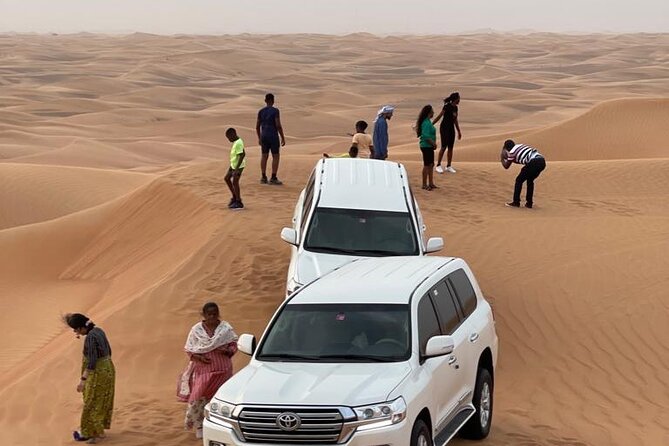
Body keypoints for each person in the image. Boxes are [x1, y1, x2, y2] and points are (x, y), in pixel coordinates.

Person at [178, 302, 238, 439]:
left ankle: (219, 426)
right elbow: (189, 349)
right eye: (209, 314)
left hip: (223, 370)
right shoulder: (196, 330)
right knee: (198, 397)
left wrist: (227, 350)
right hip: (203, 370)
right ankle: (199, 425)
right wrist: (199, 357)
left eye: (215, 313)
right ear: (204, 315)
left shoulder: (225, 328)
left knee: (220, 397)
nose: (212, 316)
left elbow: (234, 344)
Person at [64, 313, 115, 444]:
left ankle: (90, 433)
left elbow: (92, 361)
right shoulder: (99, 330)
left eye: (76, 329)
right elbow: (109, 351)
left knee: (91, 402)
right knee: (101, 402)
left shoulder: (91, 338)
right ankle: (98, 431)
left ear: (82, 328)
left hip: (98, 373)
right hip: (108, 369)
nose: (76, 332)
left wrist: (82, 380)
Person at [500, 139, 547, 208]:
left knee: (519, 180)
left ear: (507, 148)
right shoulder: (520, 145)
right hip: (542, 161)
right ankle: (529, 203)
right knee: (530, 180)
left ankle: (516, 202)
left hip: (534, 162)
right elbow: (520, 159)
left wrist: (502, 159)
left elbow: (506, 166)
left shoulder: (511, 153)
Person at [256, 93, 286, 185]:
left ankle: (263, 177)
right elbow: (278, 125)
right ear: (273, 101)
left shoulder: (261, 111)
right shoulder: (275, 111)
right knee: (275, 156)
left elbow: (257, 126)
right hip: (273, 136)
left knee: (264, 156)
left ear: (265, 100)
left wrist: (259, 137)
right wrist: (282, 137)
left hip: (264, 136)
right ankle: (273, 177)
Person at [432, 92, 462, 173]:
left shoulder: (456, 108)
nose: (459, 100)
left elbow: (455, 120)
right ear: (455, 99)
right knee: (443, 147)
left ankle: (448, 166)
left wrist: (458, 131)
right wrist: (431, 124)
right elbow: (440, 116)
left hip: (451, 128)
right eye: (459, 98)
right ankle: (438, 165)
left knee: (451, 147)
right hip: (444, 128)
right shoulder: (447, 106)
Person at [416, 105, 438, 190]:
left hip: (429, 146)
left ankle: (431, 183)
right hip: (426, 146)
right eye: (432, 111)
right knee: (426, 165)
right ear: (429, 113)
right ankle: (424, 184)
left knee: (431, 164)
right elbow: (425, 136)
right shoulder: (425, 123)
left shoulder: (428, 121)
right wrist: (433, 143)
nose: (433, 113)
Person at [224, 127, 245, 210]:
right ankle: (234, 196)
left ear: (233, 134)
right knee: (227, 178)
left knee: (235, 182)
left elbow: (242, 154)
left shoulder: (239, 143)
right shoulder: (236, 142)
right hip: (233, 165)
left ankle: (239, 201)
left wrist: (236, 169)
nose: (229, 140)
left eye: (229, 138)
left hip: (238, 166)